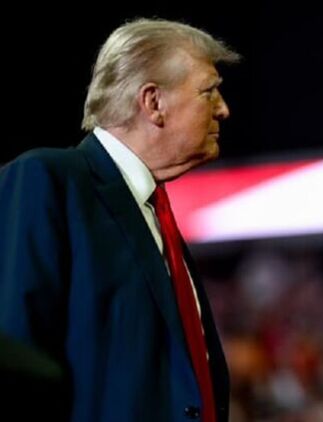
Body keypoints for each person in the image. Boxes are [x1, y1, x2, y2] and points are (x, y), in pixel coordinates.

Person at [0, 18, 240, 421]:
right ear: (153, 102)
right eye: (209, 91)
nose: (223, 109)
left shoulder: (154, 212)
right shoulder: (47, 181)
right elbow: (16, 360)